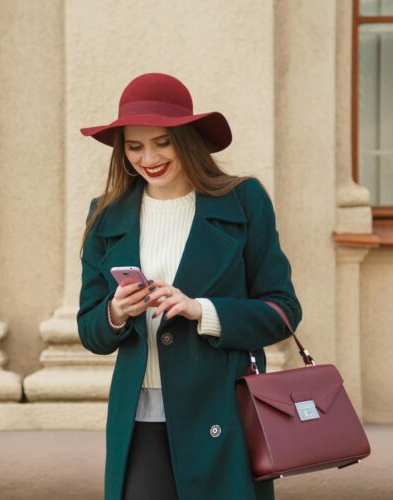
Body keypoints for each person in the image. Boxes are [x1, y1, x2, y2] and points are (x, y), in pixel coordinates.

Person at [77, 72, 303, 500]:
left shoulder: (243, 201)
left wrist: (203, 310)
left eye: (163, 142)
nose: (150, 158)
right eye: (135, 145)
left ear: (189, 139)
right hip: (139, 415)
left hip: (221, 409)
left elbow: (283, 310)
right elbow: (90, 329)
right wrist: (116, 312)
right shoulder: (106, 216)